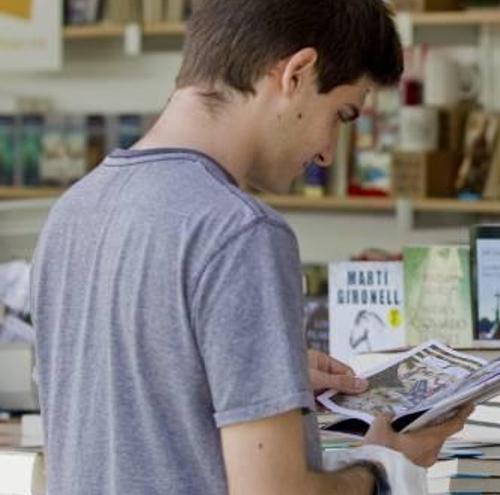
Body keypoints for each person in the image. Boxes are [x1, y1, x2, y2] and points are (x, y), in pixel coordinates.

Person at [31, 1, 472, 494]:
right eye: (341, 115)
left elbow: (123, 418)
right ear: (297, 74)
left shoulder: (72, 212)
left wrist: (264, 374)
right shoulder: (241, 232)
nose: (328, 151)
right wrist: (382, 468)